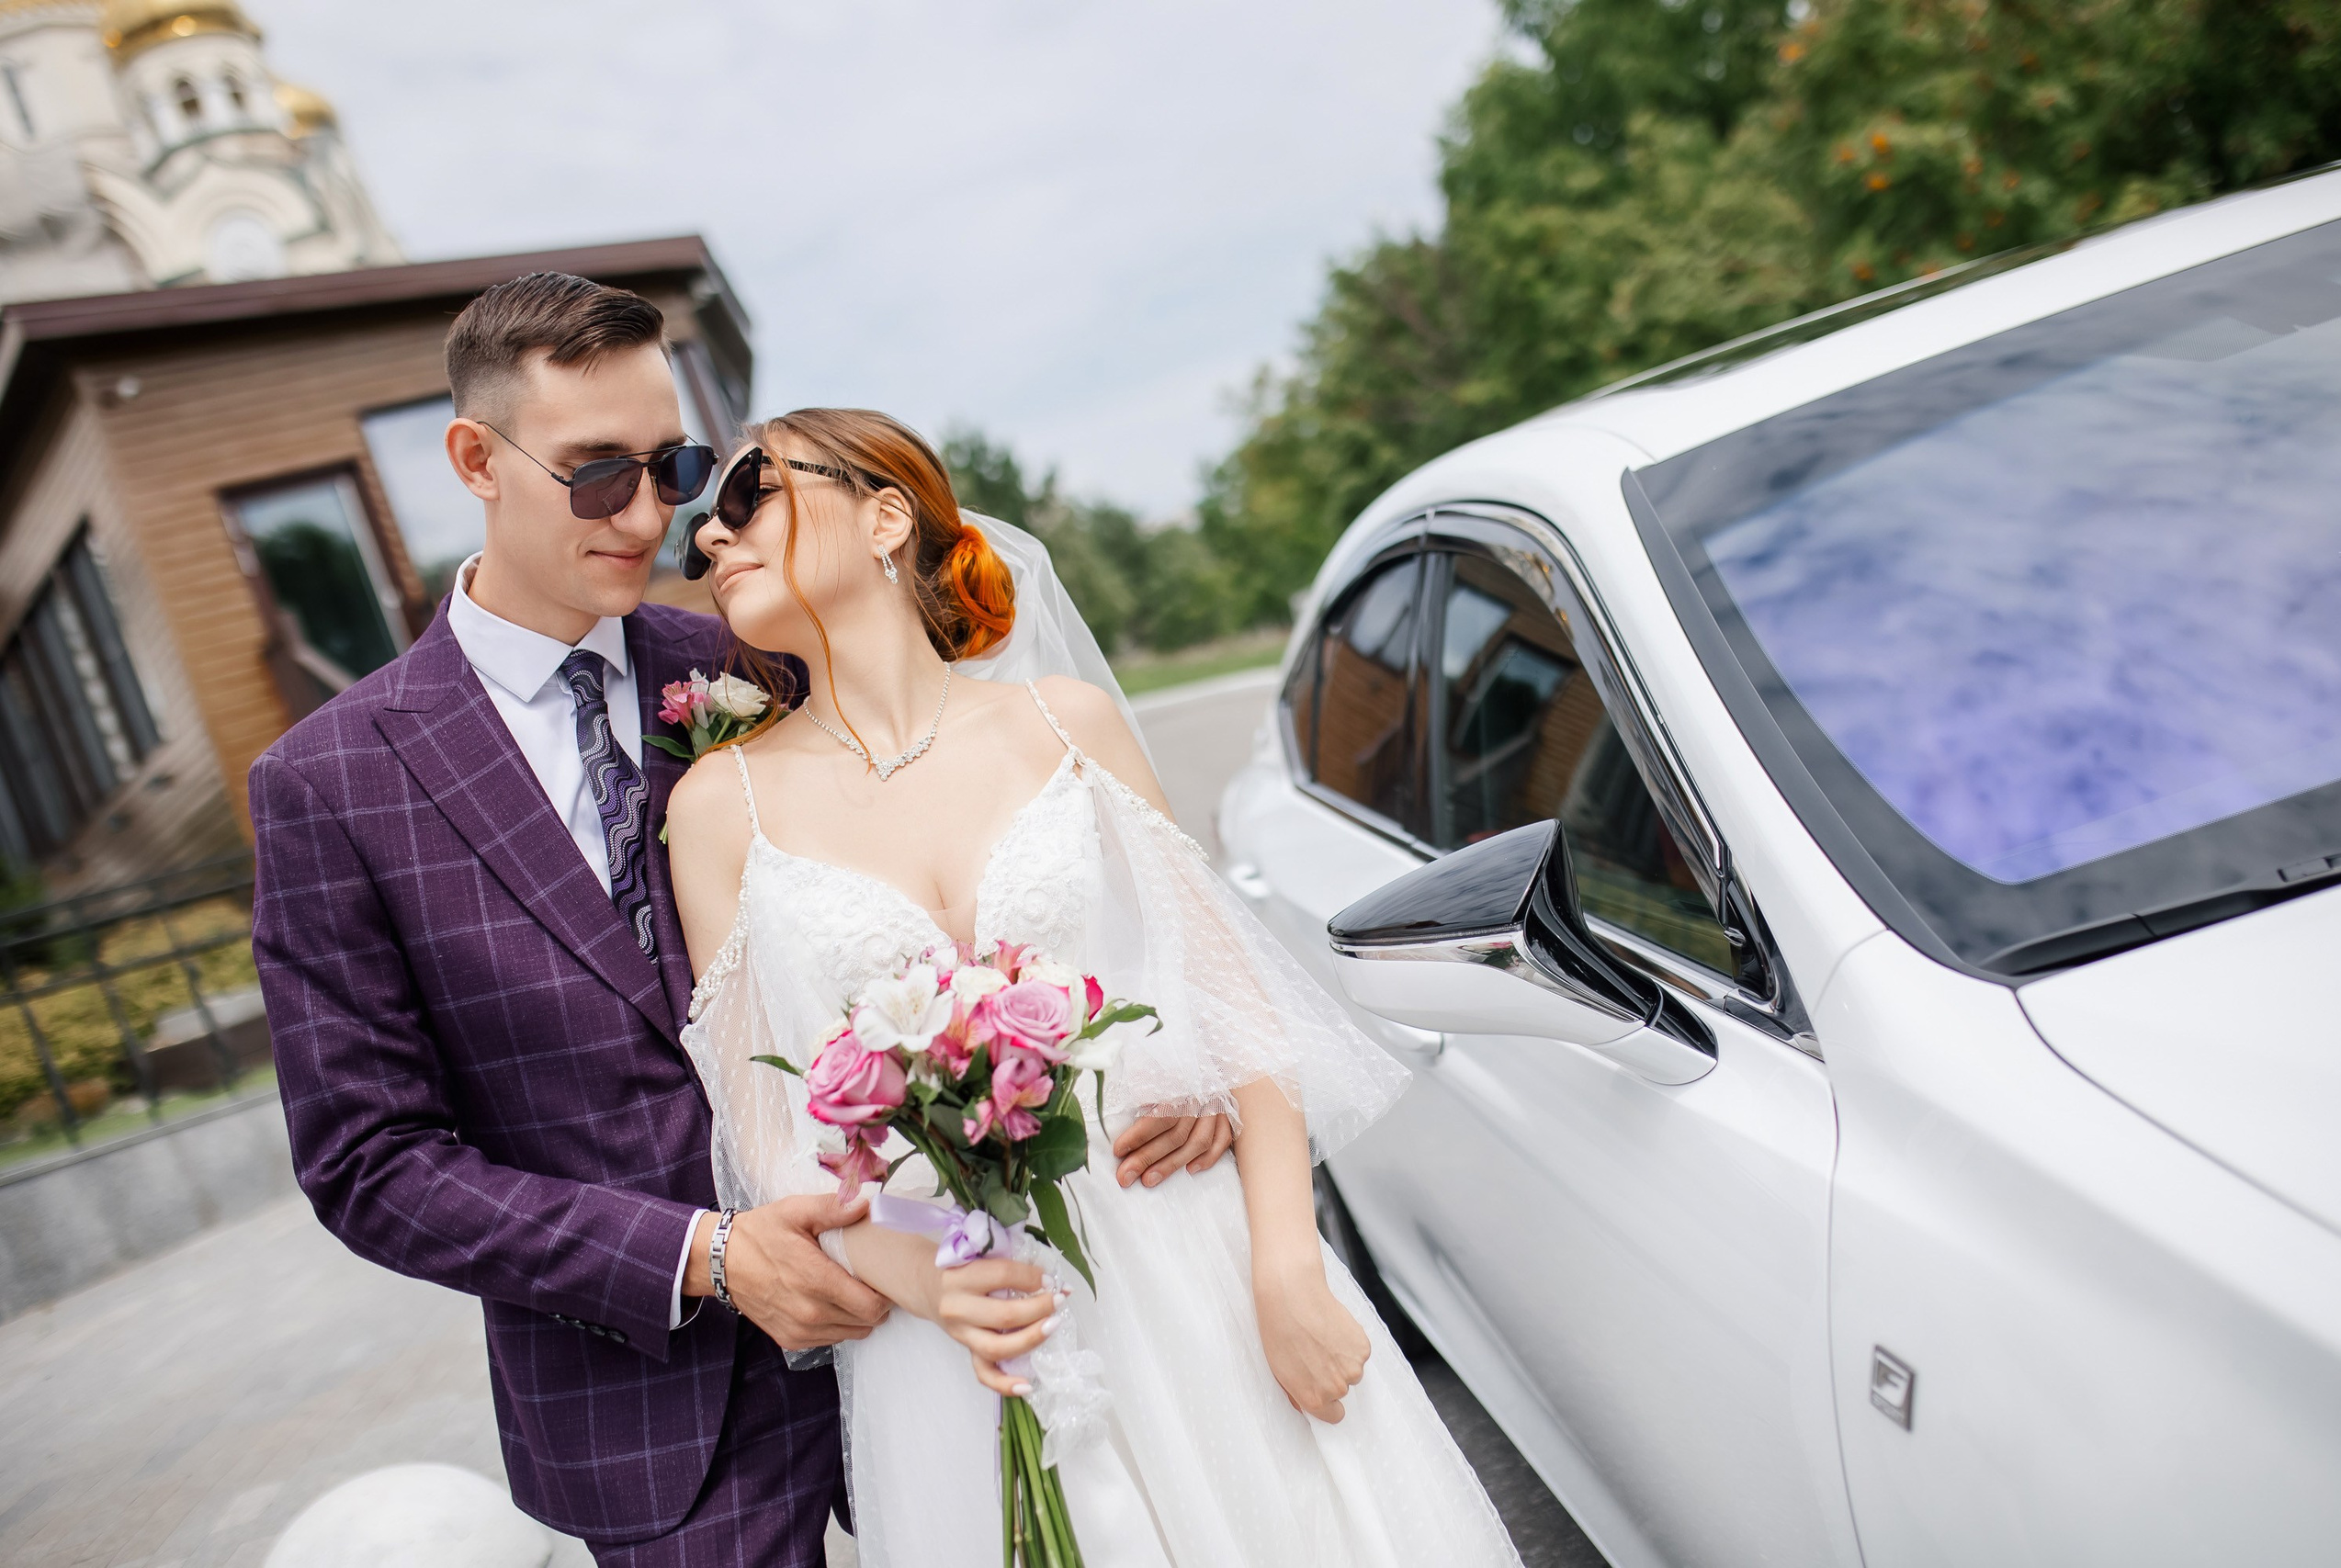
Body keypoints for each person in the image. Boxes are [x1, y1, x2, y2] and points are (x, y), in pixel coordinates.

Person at [249, 275, 1232, 1567]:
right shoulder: (333, 783)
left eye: (678, 466)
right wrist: (703, 1253)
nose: (654, 512)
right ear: (475, 460)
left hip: (948, 1312)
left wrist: (1171, 1071)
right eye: (599, 472)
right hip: (652, 1415)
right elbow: (370, 1161)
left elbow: (979, 906)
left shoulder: (755, 660)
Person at [668, 407, 1525, 1566]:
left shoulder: (1060, 725)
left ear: (882, 516)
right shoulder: (721, 808)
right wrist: (932, 1277)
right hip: (962, 1330)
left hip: (1190, 1263)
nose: (710, 542)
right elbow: (773, 1146)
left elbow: (1236, 1003)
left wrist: (1285, 1267)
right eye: (699, 535)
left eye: (743, 498)